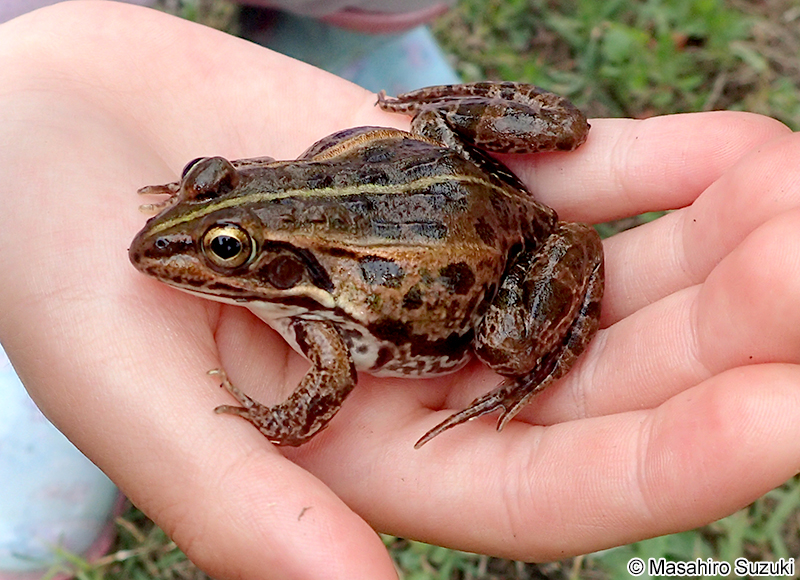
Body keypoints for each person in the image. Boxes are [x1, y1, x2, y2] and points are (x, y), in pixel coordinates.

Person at [1, 2, 800, 579]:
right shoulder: (271, 212)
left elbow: (327, 386)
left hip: (490, 262)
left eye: (224, 249)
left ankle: (356, 28)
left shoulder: (315, 323)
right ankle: (375, 63)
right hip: (448, 166)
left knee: (506, 345)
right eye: (204, 190)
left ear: (273, 267)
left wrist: (272, 420)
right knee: (433, 124)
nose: (186, 240)